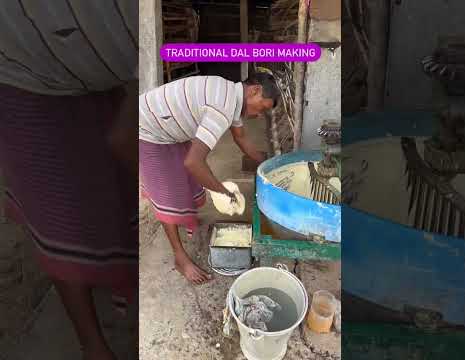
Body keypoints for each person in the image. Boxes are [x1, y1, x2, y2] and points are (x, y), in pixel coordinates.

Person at [0, 3, 138, 360]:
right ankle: (92, 344)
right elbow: (124, 141)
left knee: (120, 209)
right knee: (61, 223)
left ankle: (128, 296)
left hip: (109, 78)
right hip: (26, 72)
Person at [139, 72, 280, 285]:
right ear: (254, 90)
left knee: (187, 183)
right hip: (148, 130)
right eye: (262, 107)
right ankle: (180, 258)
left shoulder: (231, 97)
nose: (260, 114)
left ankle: (185, 217)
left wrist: (267, 165)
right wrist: (224, 192)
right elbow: (193, 163)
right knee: (168, 195)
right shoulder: (221, 109)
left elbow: (240, 138)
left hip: (170, 129)